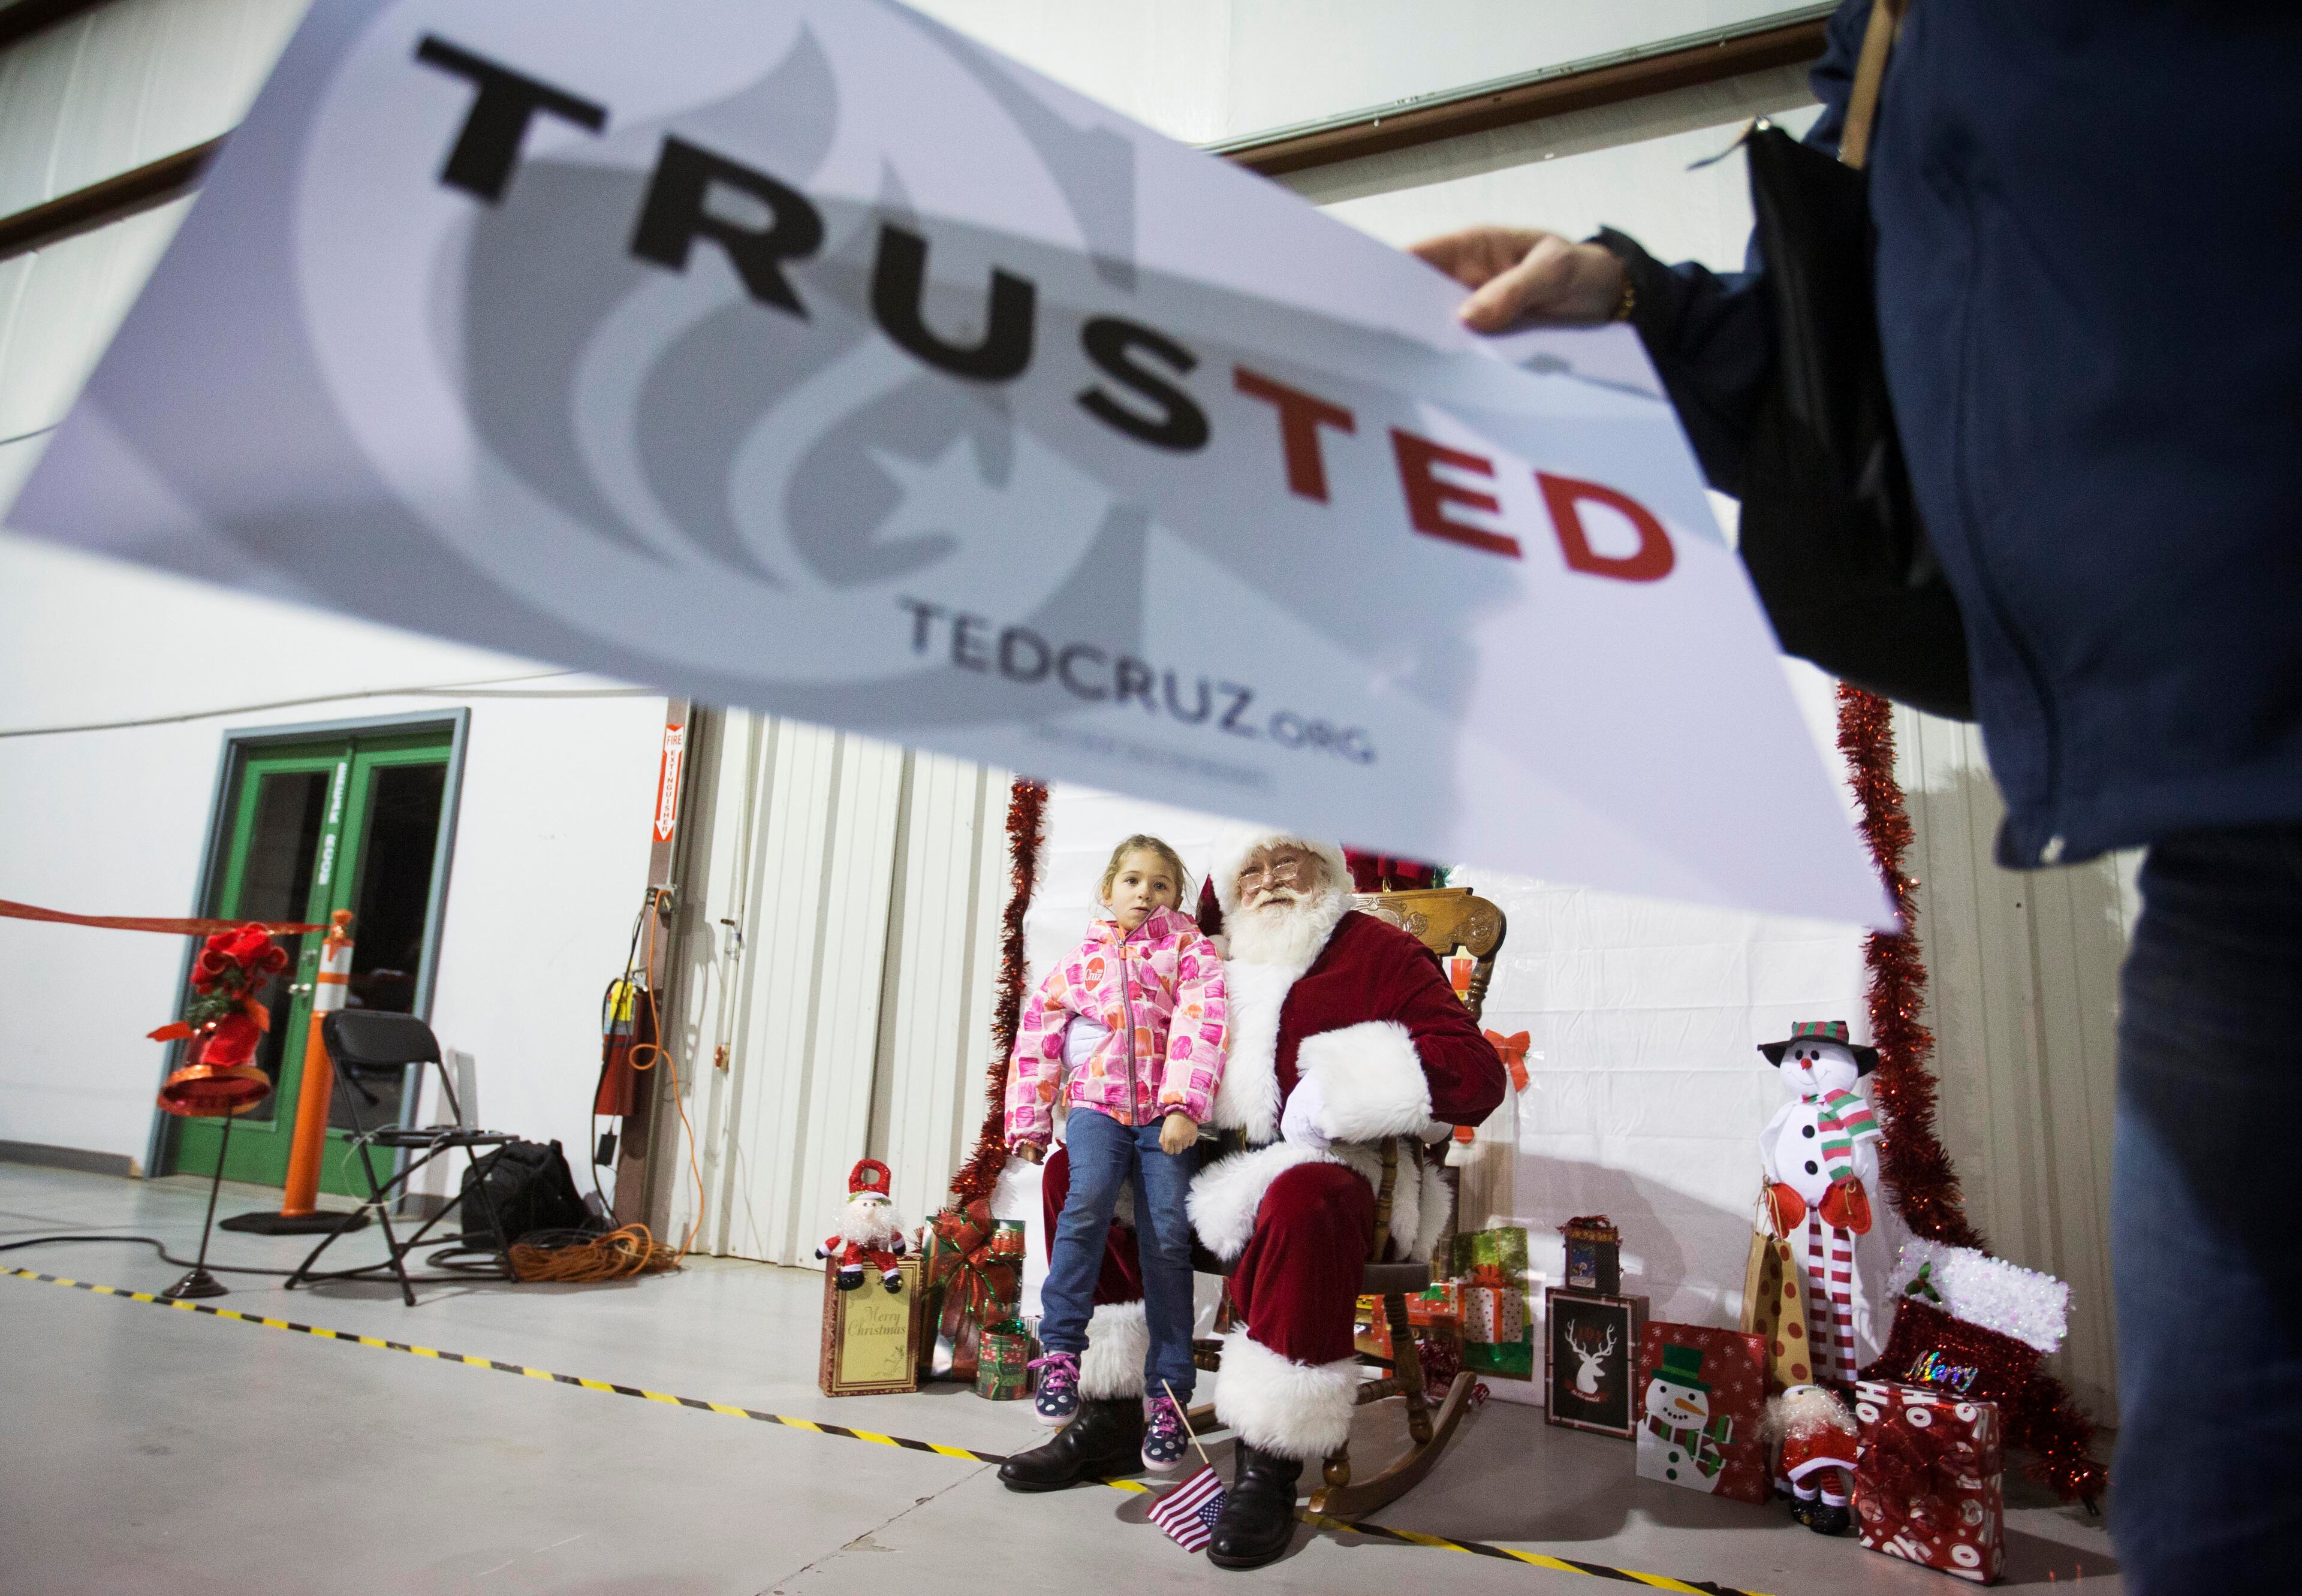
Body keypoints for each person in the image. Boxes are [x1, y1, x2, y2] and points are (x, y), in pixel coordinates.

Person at [1410, 4, 2302, 1588]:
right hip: (2227, 819)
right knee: (2217, 1517)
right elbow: (1890, 354)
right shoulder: (1895, 35)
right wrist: (1646, 316)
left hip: (2235, 744)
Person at [1001, 832, 1505, 1573]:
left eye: (1286, 862)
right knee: (1077, 1173)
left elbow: (1476, 1073)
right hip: (1210, 1166)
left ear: (1326, 869)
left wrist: (1344, 1087)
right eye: (1251, 869)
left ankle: (1271, 1461)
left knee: (1304, 1194)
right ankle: (1110, 1410)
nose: (1269, 881)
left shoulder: (1379, 951)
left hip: (1342, 1175)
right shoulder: (1204, 953)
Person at [999, 835, 1227, 1476]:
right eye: (1131, 880)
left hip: (1164, 1115)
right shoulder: (1081, 961)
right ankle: (1063, 1351)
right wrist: (1029, 1118)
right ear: (1107, 889)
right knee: (1085, 1203)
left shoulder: (1190, 951)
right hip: (1098, 1105)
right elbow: (1038, 1036)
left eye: (1159, 884)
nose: (1144, 893)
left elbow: (1203, 1024)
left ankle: (1169, 1392)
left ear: (1174, 897)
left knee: (1167, 1235)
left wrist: (1184, 1104)